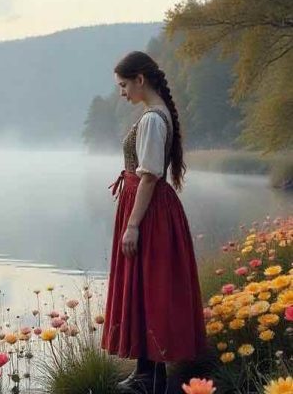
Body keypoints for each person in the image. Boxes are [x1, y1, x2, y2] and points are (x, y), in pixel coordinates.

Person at [100, 51, 207, 393]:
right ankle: (146, 372)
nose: (121, 92)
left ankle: (152, 377)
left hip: (149, 212)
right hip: (152, 209)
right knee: (146, 285)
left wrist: (132, 225)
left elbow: (148, 178)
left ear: (139, 80)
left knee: (150, 285)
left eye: (123, 85)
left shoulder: (152, 119)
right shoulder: (156, 114)